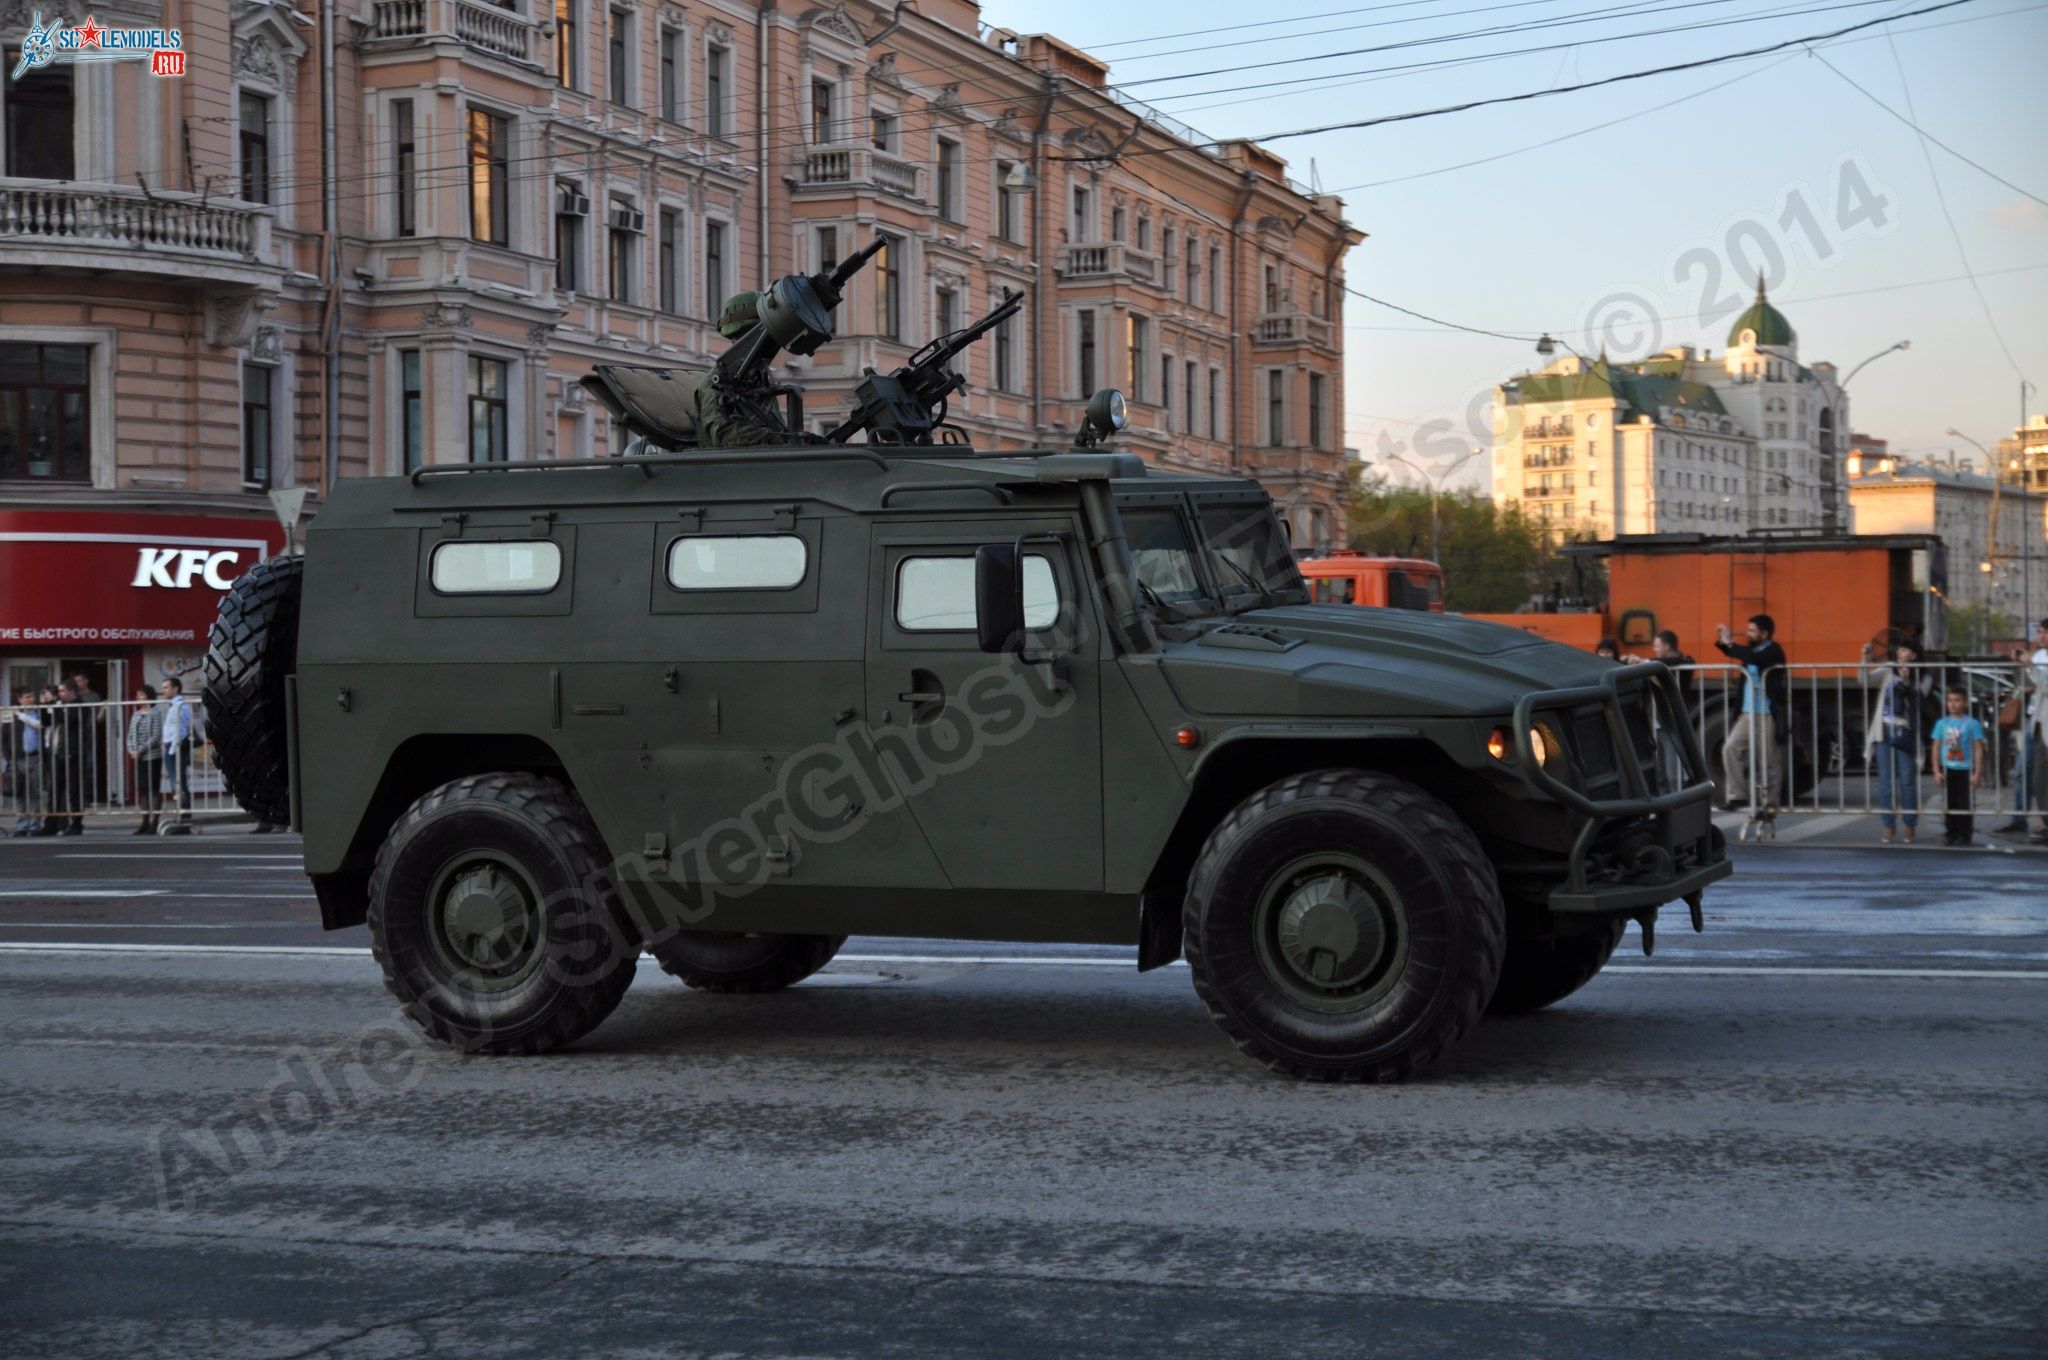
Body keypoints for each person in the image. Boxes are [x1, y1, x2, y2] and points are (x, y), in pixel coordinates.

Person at [685, 293, 800, 450]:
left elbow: (775, 427)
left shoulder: (762, 377)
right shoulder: (715, 381)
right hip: (726, 469)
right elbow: (722, 435)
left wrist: (794, 440)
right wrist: (775, 439)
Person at [1715, 614, 1788, 811]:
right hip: (1747, 714)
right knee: (1730, 748)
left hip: (1766, 714)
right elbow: (1741, 653)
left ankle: (1770, 804)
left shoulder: (1774, 651)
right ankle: (1737, 795)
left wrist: (1731, 643)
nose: (1748, 634)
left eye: (1752, 631)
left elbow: (1753, 657)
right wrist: (1724, 642)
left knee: (1769, 760)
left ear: (1764, 634)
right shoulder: (1752, 649)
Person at [1865, 641, 1932, 843]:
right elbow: (1864, 679)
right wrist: (1865, 658)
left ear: (1913, 655)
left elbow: (1919, 697)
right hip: (1884, 732)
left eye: (1904, 649)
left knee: (1907, 781)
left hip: (1906, 734)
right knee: (1885, 782)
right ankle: (1888, 825)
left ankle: (1910, 825)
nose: (1899, 652)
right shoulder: (1887, 671)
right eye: (1899, 649)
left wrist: (1906, 680)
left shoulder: (1924, 675)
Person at [1994, 619, 2048, 844]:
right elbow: (2032, 683)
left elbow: (2043, 684)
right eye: (2040, 631)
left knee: (2040, 777)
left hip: (2045, 722)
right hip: (2035, 719)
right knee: (2024, 772)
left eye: (2045, 632)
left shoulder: (2037, 660)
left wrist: (2031, 669)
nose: (2041, 636)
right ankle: (2019, 819)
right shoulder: (2039, 656)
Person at [1929, 686, 1986, 847]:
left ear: (1965, 703)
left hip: (1965, 768)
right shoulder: (1942, 723)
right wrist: (1936, 769)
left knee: (1965, 802)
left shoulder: (1972, 723)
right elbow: (1936, 747)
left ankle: (1965, 833)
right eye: (1950, 701)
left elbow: (1978, 748)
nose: (1953, 704)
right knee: (1949, 802)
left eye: (1957, 700)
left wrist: (1977, 772)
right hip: (1948, 768)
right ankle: (1951, 832)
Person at [125, 684, 164, 836]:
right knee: (142, 790)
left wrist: (140, 750)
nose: (138, 697)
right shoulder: (136, 714)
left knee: (153, 789)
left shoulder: (156, 713)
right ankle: (145, 822)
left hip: (152, 756)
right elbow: (130, 734)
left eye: (140, 694)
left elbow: (156, 735)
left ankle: (155, 822)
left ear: (148, 696)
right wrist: (131, 749)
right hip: (139, 757)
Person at [159, 676, 196, 835]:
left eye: (166, 687)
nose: (163, 690)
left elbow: (180, 731)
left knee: (179, 784)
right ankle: (182, 814)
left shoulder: (180, 706)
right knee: (177, 784)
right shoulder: (175, 705)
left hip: (175, 748)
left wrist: (172, 750)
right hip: (172, 747)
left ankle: (184, 816)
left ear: (176, 689)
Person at [6, 690, 45, 836]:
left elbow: (41, 726)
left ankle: (34, 825)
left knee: (35, 793)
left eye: (32, 696)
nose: (32, 699)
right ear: (20, 699)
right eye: (28, 697)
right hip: (19, 759)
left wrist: (20, 715)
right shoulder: (10, 714)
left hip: (36, 757)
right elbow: (4, 737)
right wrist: (10, 757)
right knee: (20, 794)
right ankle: (21, 826)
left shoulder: (38, 712)